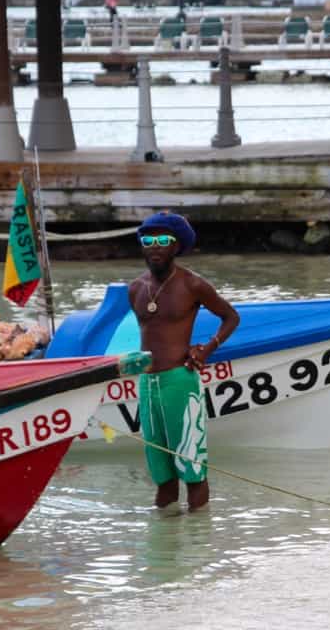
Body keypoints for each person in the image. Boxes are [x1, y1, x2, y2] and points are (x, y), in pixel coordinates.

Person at [128, 211, 240, 511]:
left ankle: (196, 544)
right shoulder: (136, 289)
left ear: (176, 246)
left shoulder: (193, 284)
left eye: (163, 240)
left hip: (180, 381)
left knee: (192, 472)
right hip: (147, 385)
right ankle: (163, 547)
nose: (154, 246)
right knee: (162, 477)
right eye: (148, 240)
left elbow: (231, 317)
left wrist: (208, 348)